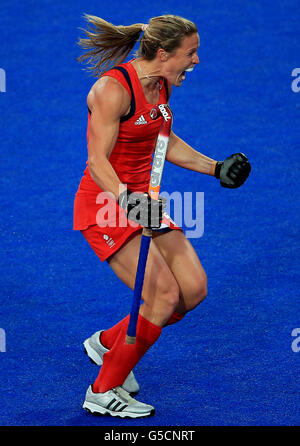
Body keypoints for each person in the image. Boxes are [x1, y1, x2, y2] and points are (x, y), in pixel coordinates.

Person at [73, 14, 251, 419]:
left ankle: (106, 344)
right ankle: (102, 390)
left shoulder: (163, 83)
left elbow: (162, 140)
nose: (197, 61)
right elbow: (97, 161)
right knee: (162, 296)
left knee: (191, 291)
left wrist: (215, 167)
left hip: (145, 205)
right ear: (164, 53)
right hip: (106, 205)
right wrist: (125, 198)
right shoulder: (112, 90)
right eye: (191, 54)